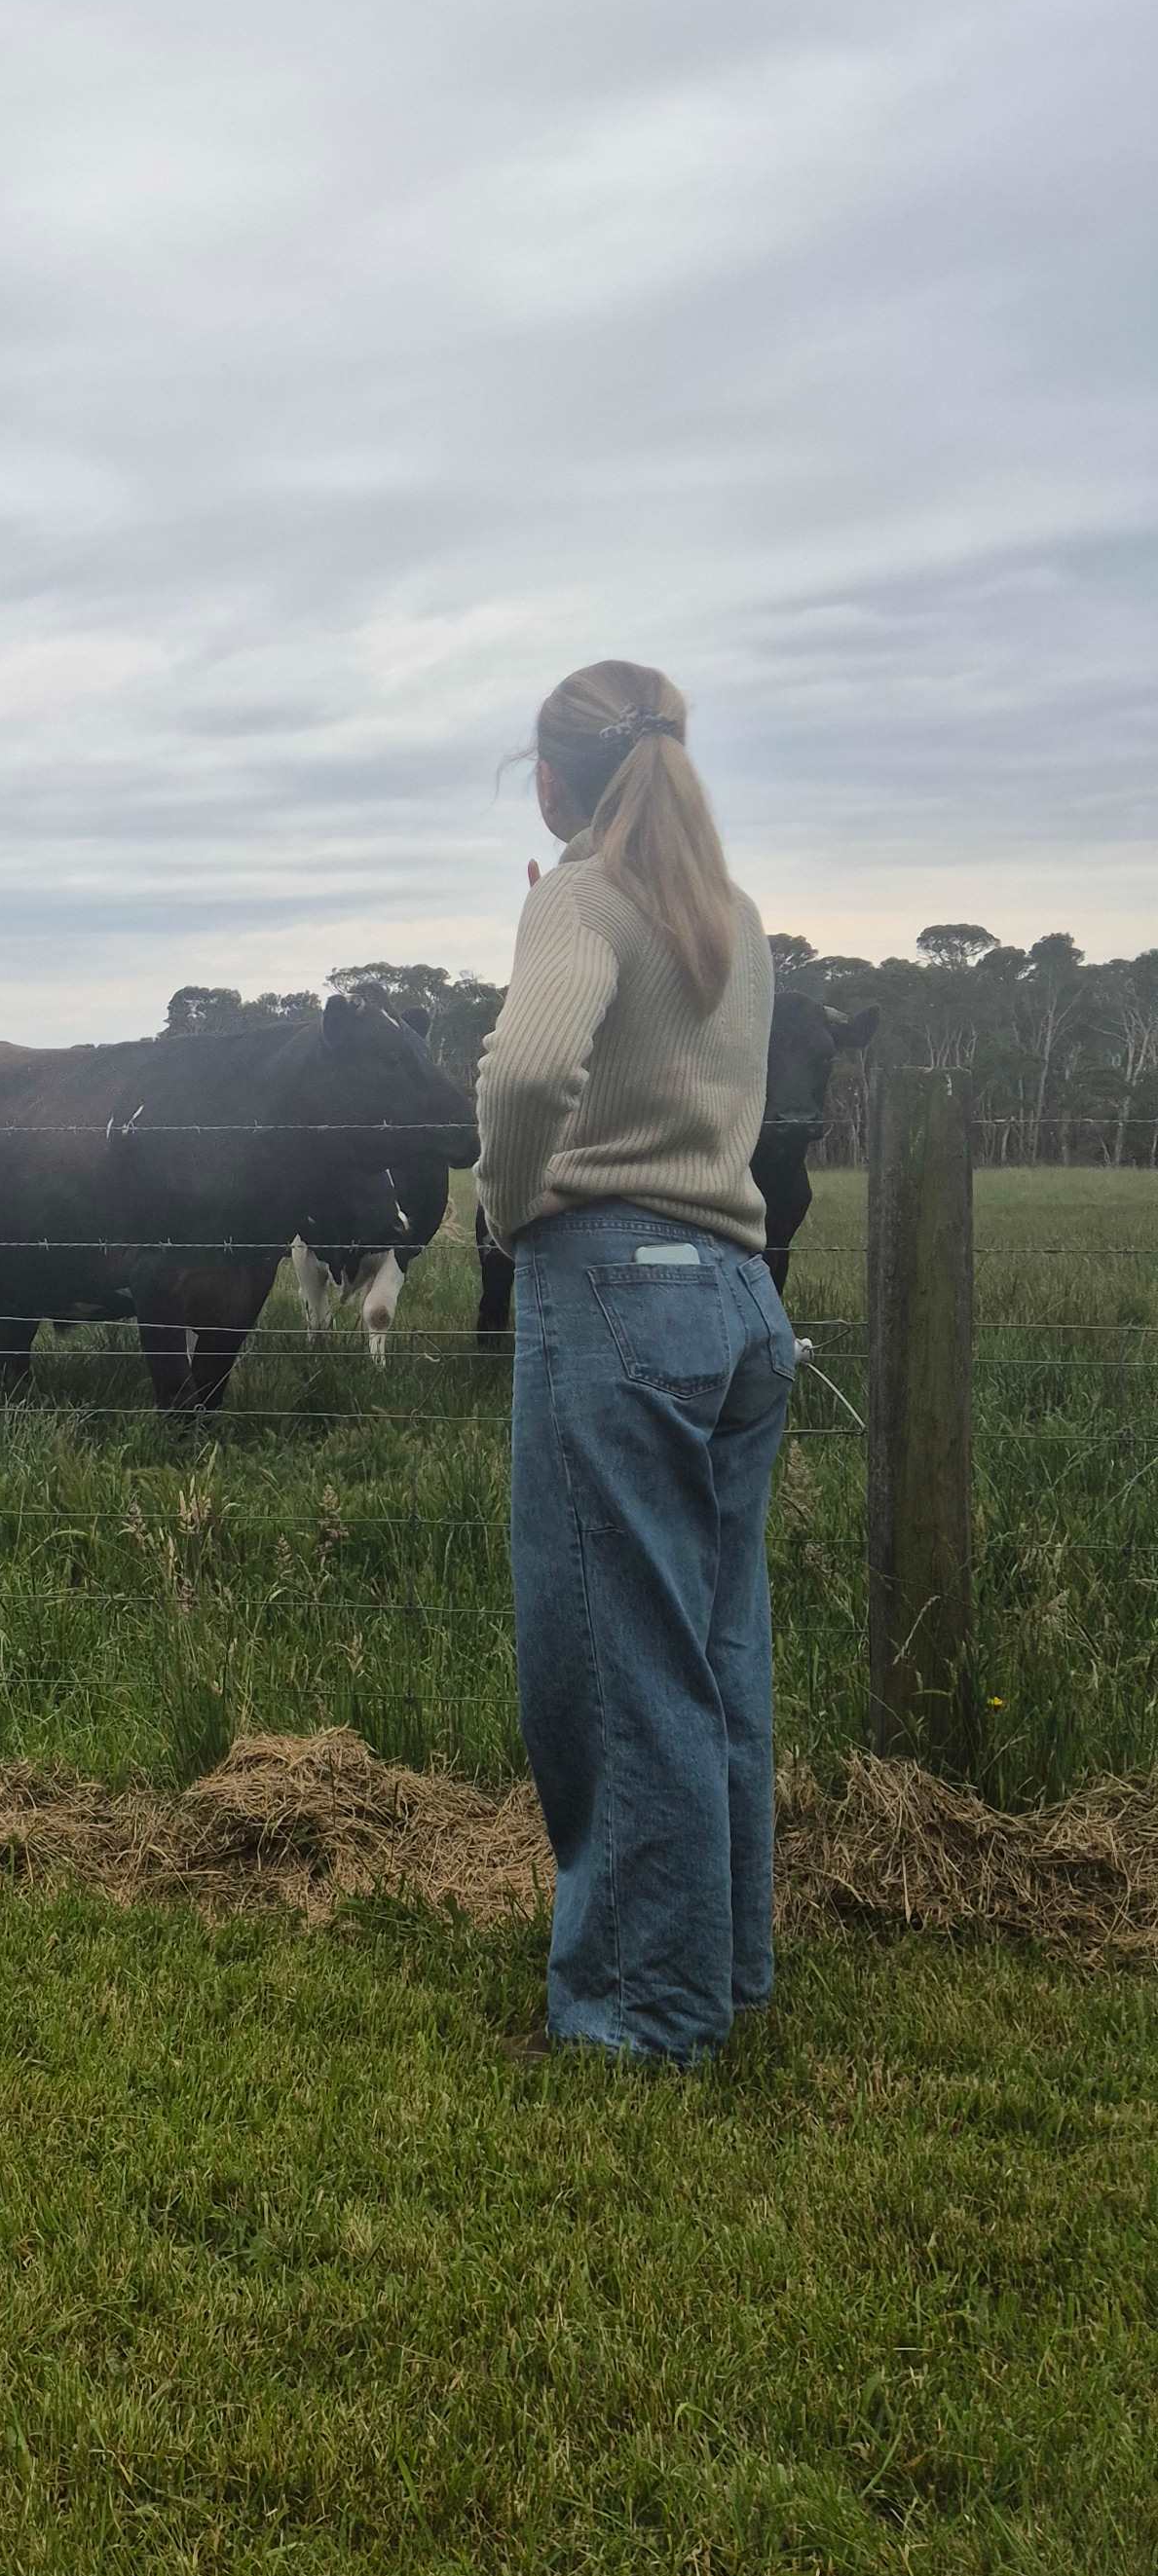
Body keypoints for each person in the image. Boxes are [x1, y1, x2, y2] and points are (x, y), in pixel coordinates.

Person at [476, 660, 796, 2067]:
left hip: (611, 1295)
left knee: (612, 1663)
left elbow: (527, 1070)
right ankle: (720, 1966)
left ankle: (634, 2014)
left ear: (557, 781)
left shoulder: (579, 899)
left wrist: (505, 1210)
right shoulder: (735, 918)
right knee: (717, 1653)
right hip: (739, 1298)